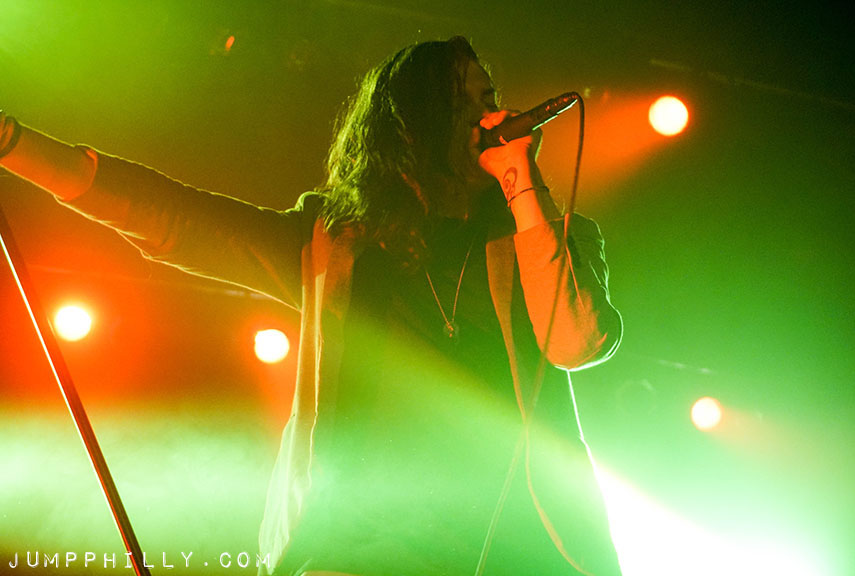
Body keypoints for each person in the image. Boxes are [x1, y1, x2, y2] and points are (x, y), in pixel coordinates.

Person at [1, 36, 623, 576]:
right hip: (365, 546)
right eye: (476, 101)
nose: (497, 115)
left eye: (493, 99)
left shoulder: (543, 234)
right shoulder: (332, 243)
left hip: (519, 546)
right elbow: (174, 219)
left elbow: (575, 344)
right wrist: (15, 145)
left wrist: (520, 181)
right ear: (420, 122)